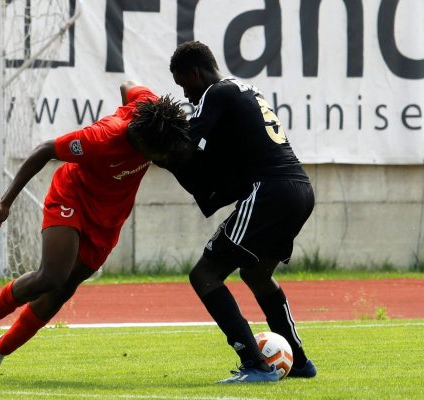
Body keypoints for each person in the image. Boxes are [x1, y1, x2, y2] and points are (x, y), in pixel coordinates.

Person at [0, 81, 188, 380]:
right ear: (140, 139)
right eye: (158, 154)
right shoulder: (101, 137)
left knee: (63, 290)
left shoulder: (153, 112)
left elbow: (127, 85)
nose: (162, 159)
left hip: (108, 217)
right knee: (52, 275)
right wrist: (5, 203)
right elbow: (44, 150)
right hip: (72, 196)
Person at [130, 41, 317, 383]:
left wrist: (151, 147)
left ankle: (255, 366)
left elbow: (187, 149)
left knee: (204, 275)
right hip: (300, 189)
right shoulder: (243, 88)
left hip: (271, 191)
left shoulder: (215, 93)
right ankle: (300, 362)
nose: (185, 93)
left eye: (183, 83)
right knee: (257, 275)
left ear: (195, 73)